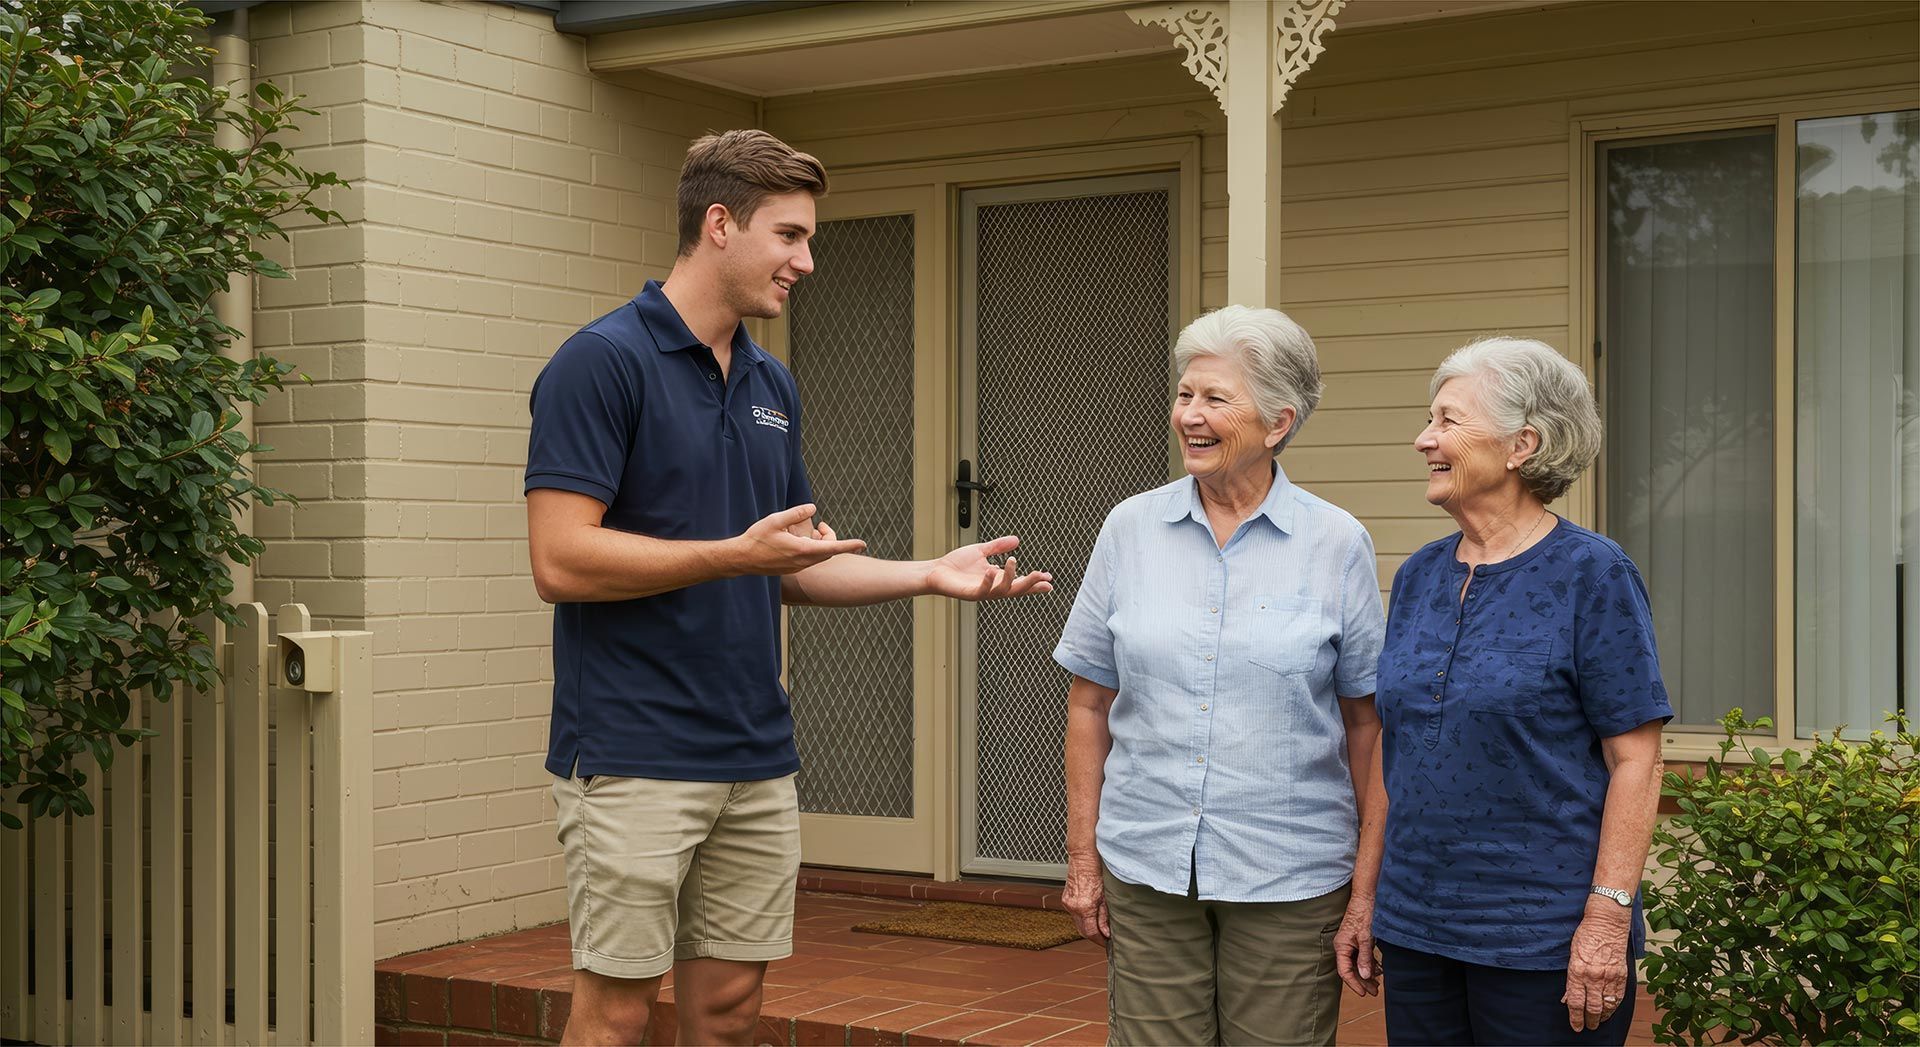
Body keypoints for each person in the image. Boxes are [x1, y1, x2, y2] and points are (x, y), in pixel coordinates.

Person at [523, 129, 1052, 1047]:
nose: (806, 261)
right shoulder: (602, 361)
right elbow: (560, 560)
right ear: (719, 224)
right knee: (614, 1012)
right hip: (632, 749)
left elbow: (788, 559)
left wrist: (928, 572)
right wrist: (730, 555)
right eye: (790, 235)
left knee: (731, 1013)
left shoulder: (772, 381)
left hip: (755, 752)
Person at [1054, 305, 1388, 1046]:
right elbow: (1089, 703)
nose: (1190, 416)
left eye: (1214, 398)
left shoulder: (1337, 542)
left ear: (1278, 423)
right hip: (1147, 864)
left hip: (1290, 873)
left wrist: (1367, 889)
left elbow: (1368, 725)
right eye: (1184, 395)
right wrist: (1082, 859)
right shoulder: (1128, 528)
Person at [1341, 336, 1670, 1045]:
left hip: (1543, 937)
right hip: (1418, 925)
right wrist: (1366, 897)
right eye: (1429, 419)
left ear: (1523, 444)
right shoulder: (1420, 575)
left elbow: (1637, 760)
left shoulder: (1593, 573)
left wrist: (1607, 918)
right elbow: (1396, 746)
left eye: (1448, 420)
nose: (1424, 438)